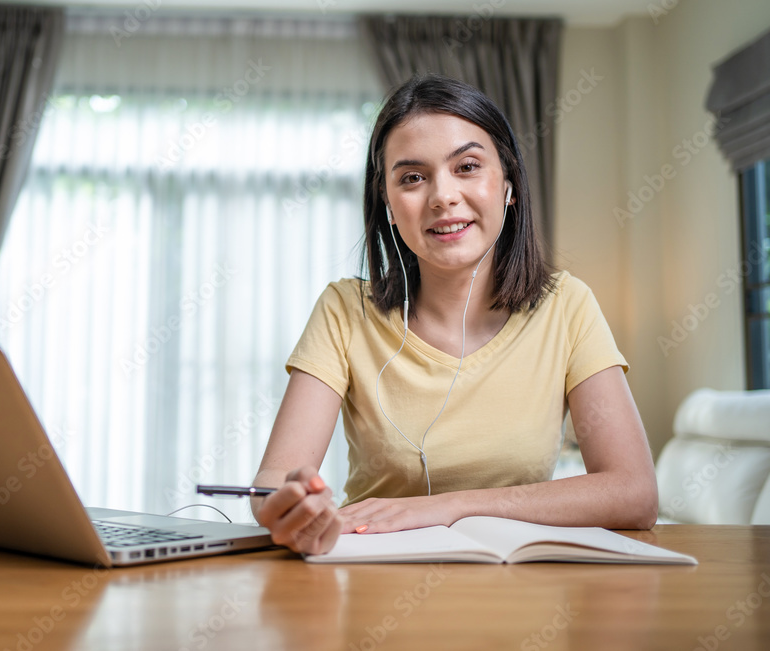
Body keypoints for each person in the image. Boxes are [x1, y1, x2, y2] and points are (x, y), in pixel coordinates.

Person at [251, 74, 658, 556]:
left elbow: (635, 493)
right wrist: (290, 505)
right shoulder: (344, 310)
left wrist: (446, 507)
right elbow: (273, 487)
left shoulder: (567, 305)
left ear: (509, 185)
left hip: (517, 597)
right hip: (372, 585)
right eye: (412, 177)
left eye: (466, 166)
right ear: (388, 203)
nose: (442, 196)